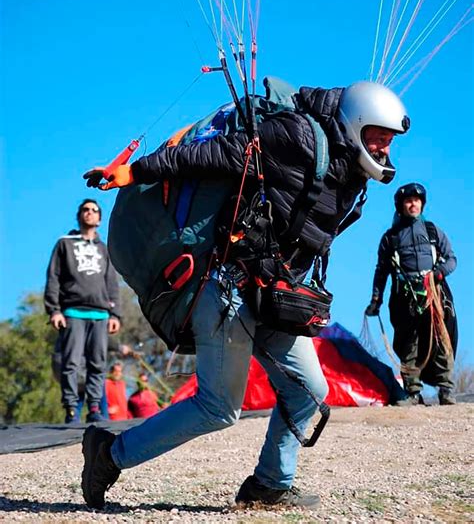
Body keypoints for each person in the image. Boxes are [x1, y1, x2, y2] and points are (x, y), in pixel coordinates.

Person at [80, 81, 410, 510]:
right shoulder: (298, 136)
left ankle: (269, 485)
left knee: (308, 390)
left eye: (390, 141)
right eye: (378, 137)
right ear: (354, 124)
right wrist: (137, 170)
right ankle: (108, 454)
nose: (384, 149)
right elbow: (211, 155)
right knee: (218, 407)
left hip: (273, 294)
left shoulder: (348, 173)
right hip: (229, 289)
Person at [365, 183, 457, 406]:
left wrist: (438, 274)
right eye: (408, 201)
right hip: (404, 297)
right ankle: (413, 392)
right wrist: (376, 299)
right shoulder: (391, 238)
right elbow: (382, 271)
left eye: (417, 200)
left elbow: (452, 259)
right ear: (401, 206)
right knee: (409, 343)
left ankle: (446, 390)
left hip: (433, 293)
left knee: (440, 338)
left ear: (422, 204)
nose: (413, 204)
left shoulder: (434, 232)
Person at [44, 199, 122, 423]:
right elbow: (54, 277)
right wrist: (54, 310)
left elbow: (111, 283)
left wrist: (115, 314)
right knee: (71, 363)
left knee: (97, 363)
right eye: (85, 210)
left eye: (94, 210)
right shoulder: (64, 244)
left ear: (99, 219)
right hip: (72, 312)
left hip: (100, 314)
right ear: (79, 215)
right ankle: (70, 408)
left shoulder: (103, 249)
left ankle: (95, 408)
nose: (89, 213)